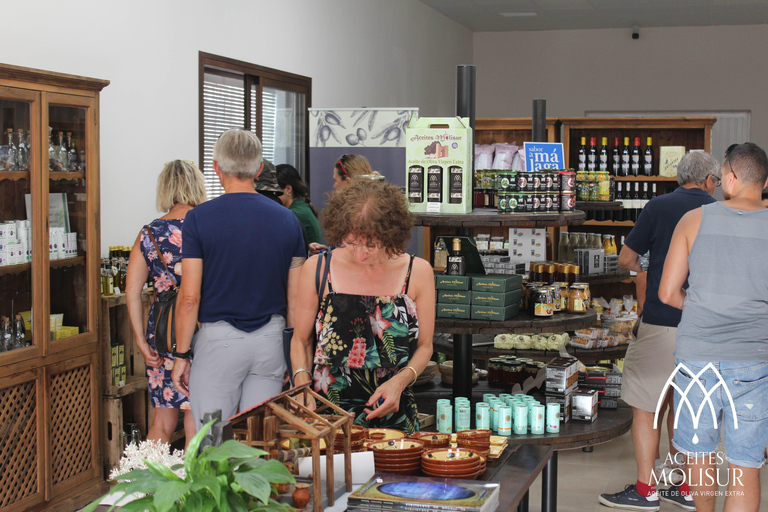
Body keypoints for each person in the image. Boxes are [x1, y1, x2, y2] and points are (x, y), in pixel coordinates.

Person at [601, 151, 720, 512]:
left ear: (679, 176)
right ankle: (683, 488)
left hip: (660, 322)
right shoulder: (719, 213)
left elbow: (625, 259)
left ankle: (645, 489)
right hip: (705, 328)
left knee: (648, 408)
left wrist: (648, 270)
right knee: (688, 410)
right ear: (711, 180)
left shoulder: (658, 206)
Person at [171, 129, 306, 430]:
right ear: (259, 170)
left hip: (219, 343)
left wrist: (181, 354)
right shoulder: (288, 220)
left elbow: (189, 297)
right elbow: (295, 299)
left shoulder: (199, 219)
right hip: (271, 341)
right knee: (257, 441)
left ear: (217, 167)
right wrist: (291, 352)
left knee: (214, 441)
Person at [659, 142, 768, 512]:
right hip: (753, 358)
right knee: (745, 463)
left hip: (697, 358)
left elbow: (668, 292)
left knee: (699, 454)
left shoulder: (695, 220)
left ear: (733, 177)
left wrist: (706, 307)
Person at [290, 179, 435, 434]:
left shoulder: (417, 272)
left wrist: (399, 383)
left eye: (371, 244)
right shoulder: (318, 269)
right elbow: (301, 341)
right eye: (351, 241)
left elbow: (424, 346)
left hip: (393, 408)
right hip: (325, 413)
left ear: (391, 235)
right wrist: (302, 384)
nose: (360, 254)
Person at [124, 159, 207, 445]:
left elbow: (132, 291)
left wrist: (141, 342)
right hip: (203, 328)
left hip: (163, 334)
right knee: (196, 419)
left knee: (161, 421)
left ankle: (148, 488)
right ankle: (195, 489)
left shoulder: (149, 233)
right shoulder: (207, 226)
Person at [276, 163, 323, 246]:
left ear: (288, 189)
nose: (273, 194)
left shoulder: (295, 213)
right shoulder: (302, 206)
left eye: (276, 190)